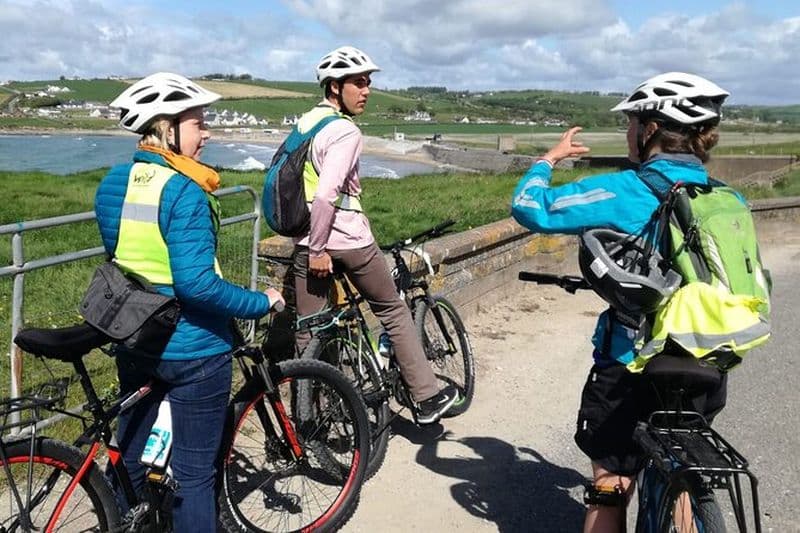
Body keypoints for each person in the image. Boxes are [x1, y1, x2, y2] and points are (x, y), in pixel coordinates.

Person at [511, 72, 733, 532]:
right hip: (705, 361)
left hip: (630, 363)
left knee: (611, 477)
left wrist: (546, 160)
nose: (628, 132)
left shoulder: (623, 189)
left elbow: (531, 207)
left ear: (649, 129)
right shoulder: (728, 199)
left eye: (631, 122)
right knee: (681, 463)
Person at [95, 72, 284, 532]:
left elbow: (127, 262)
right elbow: (197, 285)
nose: (208, 133)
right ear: (166, 128)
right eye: (199, 123)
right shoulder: (186, 191)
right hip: (193, 349)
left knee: (132, 458)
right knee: (196, 478)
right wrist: (261, 301)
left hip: (135, 337)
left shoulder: (112, 184)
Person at [291, 45, 458, 424]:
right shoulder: (344, 131)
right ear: (334, 88)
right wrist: (321, 248)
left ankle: (308, 419)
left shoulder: (304, 124)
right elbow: (326, 194)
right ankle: (427, 397)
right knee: (392, 310)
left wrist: (312, 246)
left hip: (303, 240)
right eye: (358, 83)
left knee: (308, 330)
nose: (366, 91)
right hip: (345, 240)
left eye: (368, 83)